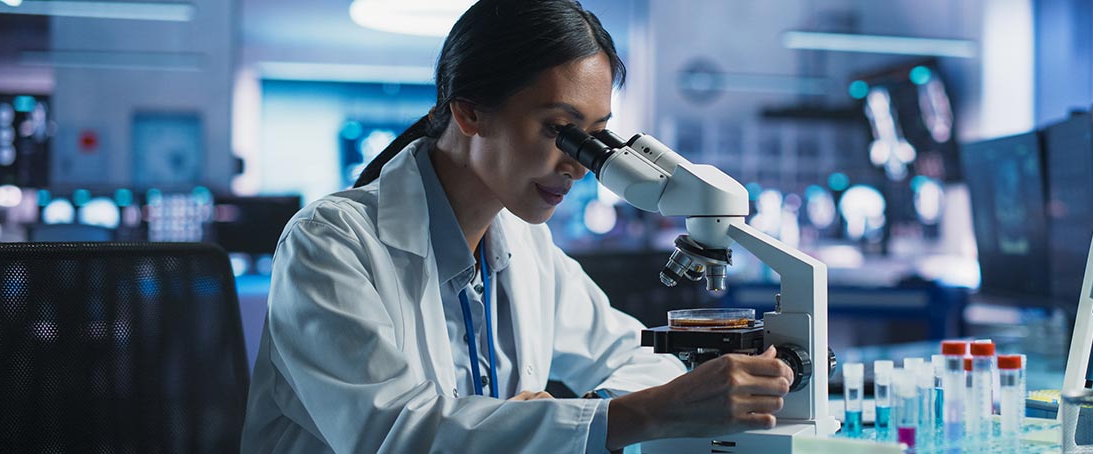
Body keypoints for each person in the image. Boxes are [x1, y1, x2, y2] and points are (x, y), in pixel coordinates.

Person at [240, 0, 795, 452]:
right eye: (561, 129)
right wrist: (626, 418)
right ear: (470, 112)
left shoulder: (526, 243)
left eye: (597, 135)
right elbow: (393, 435)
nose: (580, 165)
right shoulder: (330, 243)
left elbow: (639, 357)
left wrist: (586, 410)